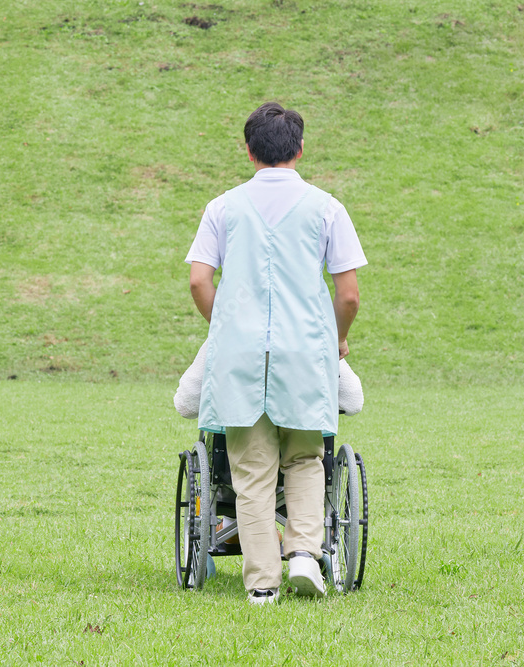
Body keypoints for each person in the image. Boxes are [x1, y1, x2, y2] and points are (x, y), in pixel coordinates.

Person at [185, 102, 366, 605]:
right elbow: (348, 294)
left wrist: (225, 326)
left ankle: (262, 584)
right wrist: (337, 338)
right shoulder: (327, 208)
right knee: (307, 458)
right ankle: (306, 553)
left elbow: (200, 279)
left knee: (251, 473)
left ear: (248, 151)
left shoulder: (222, 208)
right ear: (300, 149)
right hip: (306, 354)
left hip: (240, 357)